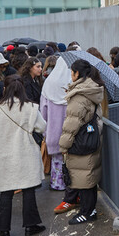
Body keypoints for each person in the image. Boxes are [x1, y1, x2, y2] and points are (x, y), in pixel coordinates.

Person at [0, 75, 46, 236]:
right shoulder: (30, 108)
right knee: (28, 189)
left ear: (4, 89)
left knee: (6, 192)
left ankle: (3, 230)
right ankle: (31, 225)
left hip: (3, 155)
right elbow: (41, 127)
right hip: (26, 153)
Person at [58, 59, 105, 225]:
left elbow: (71, 125)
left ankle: (87, 212)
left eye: (72, 72)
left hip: (81, 143)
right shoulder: (91, 89)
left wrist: (63, 145)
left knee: (84, 180)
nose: (71, 76)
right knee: (88, 178)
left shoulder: (79, 95)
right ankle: (88, 210)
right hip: (90, 140)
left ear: (77, 74)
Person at [42, 58, 71, 193]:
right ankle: (72, 184)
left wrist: (44, 130)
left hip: (53, 128)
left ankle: (57, 183)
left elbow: (43, 110)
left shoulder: (49, 82)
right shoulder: (73, 82)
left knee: (57, 158)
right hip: (71, 129)